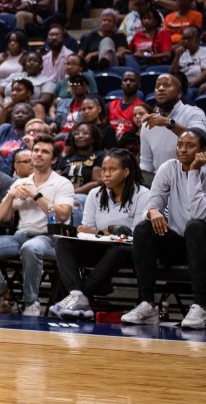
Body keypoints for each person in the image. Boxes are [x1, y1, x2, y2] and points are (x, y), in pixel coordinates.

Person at [49, 148, 149, 319]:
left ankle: (81, 297)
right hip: (100, 247)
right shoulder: (96, 194)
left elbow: (134, 235)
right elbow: (86, 230)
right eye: (104, 169)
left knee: (118, 250)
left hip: (130, 252)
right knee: (62, 242)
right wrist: (106, 231)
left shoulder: (143, 194)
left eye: (112, 169)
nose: (106, 174)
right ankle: (77, 294)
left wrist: (104, 230)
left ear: (126, 172)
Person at [122, 129, 206, 329]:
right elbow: (153, 201)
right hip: (180, 245)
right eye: (179, 145)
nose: (182, 150)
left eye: (190, 146)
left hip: (202, 244)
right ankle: (148, 304)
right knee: (144, 228)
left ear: (203, 151)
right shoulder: (169, 168)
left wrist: (194, 172)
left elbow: (200, 213)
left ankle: (202, 306)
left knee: (195, 226)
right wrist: (153, 211)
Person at [0, 136, 74, 316]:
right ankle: (5, 295)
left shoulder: (62, 183)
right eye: (36, 150)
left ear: (54, 159)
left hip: (50, 238)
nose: (39, 154)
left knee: (30, 248)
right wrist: (10, 196)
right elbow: (1, 217)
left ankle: (31, 302)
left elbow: (63, 215)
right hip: (21, 235)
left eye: (45, 152)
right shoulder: (20, 183)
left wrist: (36, 195)